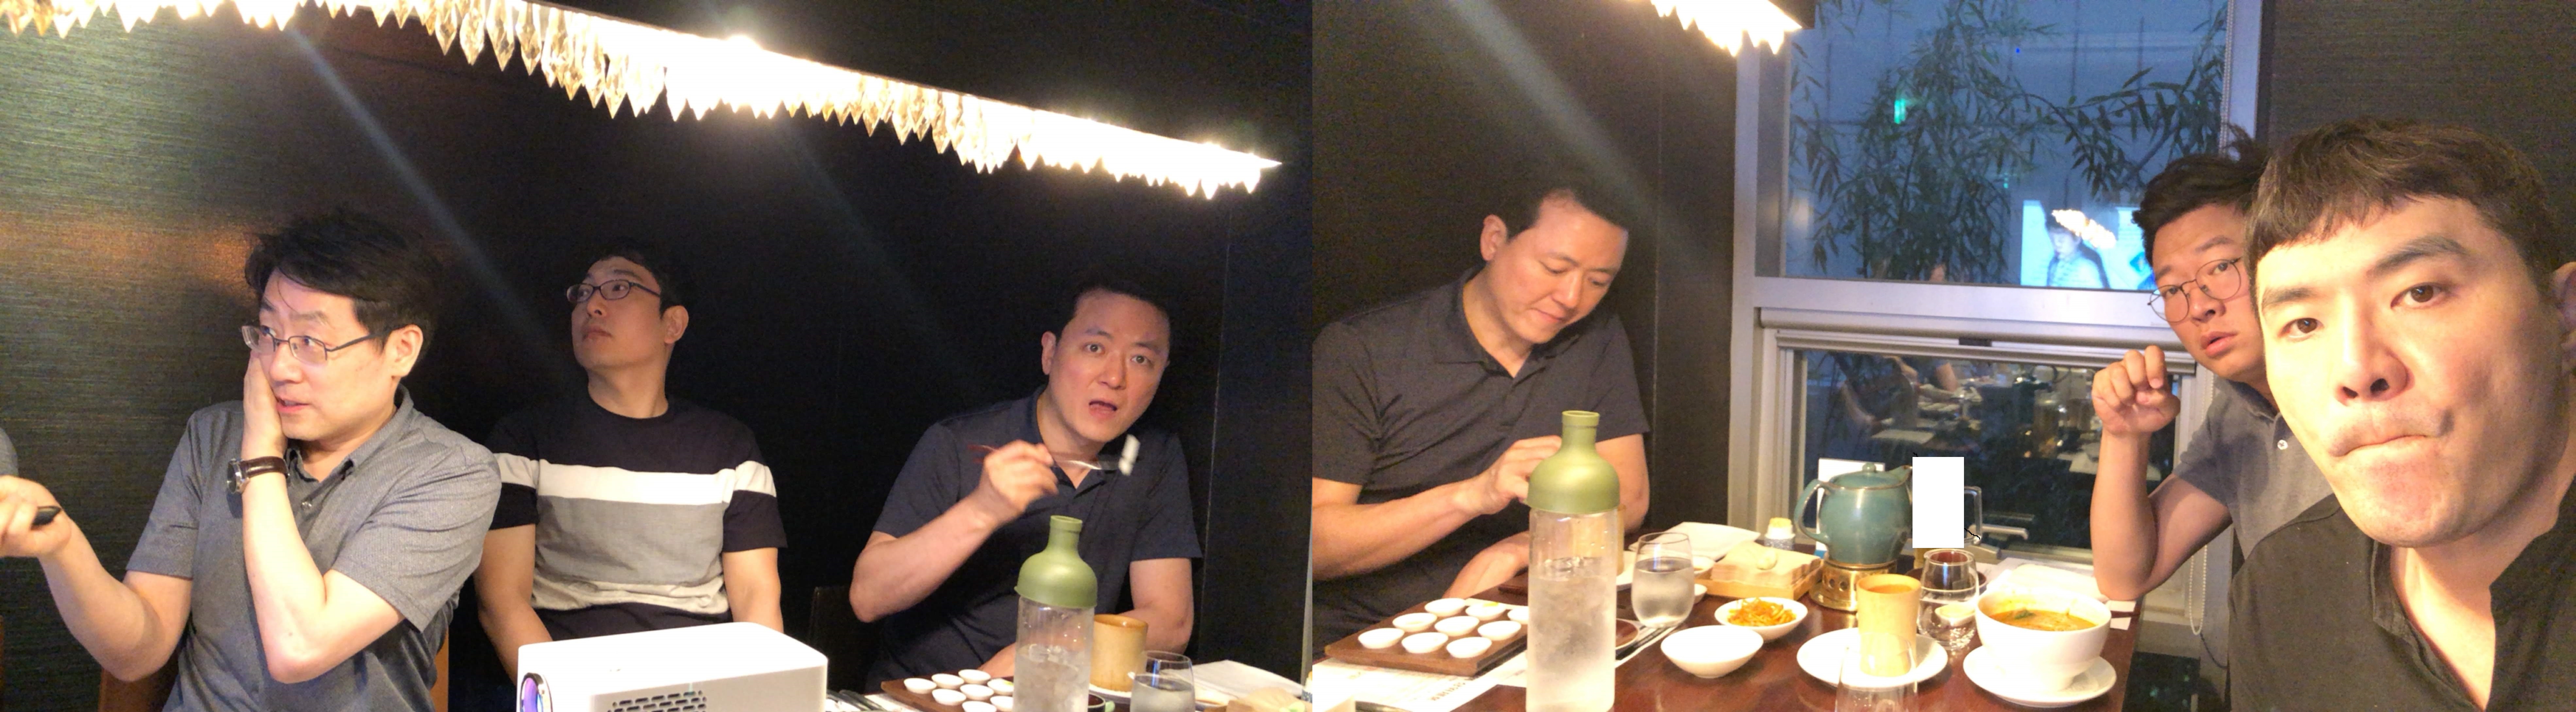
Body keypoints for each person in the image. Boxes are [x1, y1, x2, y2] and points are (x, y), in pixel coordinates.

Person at [0, 211, 499, 710]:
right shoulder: (213, 435)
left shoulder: (453, 472)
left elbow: (300, 646)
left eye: (309, 343)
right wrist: (63, 545)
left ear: (401, 350)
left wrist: (261, 451)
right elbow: (138, 653)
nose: (279, 366)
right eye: (267, 333)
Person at [2231, 118, 2576, 708]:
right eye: (2303, 324)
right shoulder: (2282, 591)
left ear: (2563, 316)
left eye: (2420, 293)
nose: (2354, 369)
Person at [1310, 181, 1651, 647]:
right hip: (1380, 636)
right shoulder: (1364, 349)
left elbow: (1628, 497)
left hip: (1518, 613)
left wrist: (1515, 551)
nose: (1571, 297)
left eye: (1598, 282)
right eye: (1554, 268)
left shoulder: (1593, 337)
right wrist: (1471, 495)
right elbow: (1315, 546)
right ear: (1494, 240)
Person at [849, 278, 1198, 683]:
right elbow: (868, 598)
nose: (1115, 377)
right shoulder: (958, 442)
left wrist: (1053, 649)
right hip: (930, 694)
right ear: (1050, 353)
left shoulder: (1153, 456)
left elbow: (1171, 621)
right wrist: (982, 510)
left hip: (1057, 695)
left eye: (1141, 360)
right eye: (1095, 348)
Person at [474, 245, 784, 677]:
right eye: (583, 292)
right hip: (574, 678)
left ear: (672, 324)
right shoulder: (523, 439)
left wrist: (761, 693)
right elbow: (501, 603)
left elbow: (757, 598)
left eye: (619, 288)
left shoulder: (729, 448)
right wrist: (568, 698)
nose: (592, 306)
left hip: (701, 682)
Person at [2088, 131, 2333, 603]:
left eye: (2220, 267)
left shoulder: (2364, 389)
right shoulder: (2239, 413)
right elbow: (2123, 576)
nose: (2199, 306)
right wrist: (2123, 435)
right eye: (2172, 290)